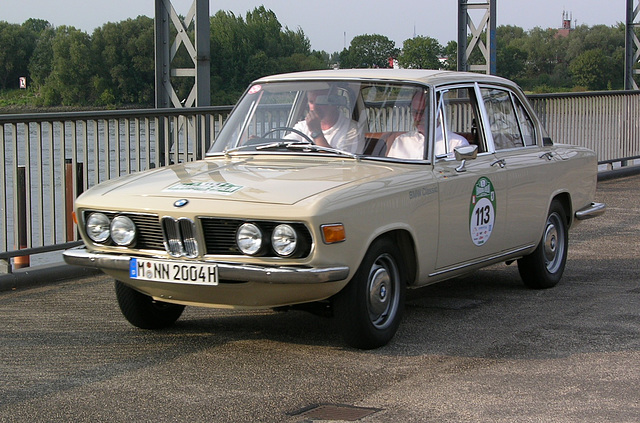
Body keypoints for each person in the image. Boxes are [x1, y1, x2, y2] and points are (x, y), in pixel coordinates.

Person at [387, 90, 468, 159]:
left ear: (438, 112)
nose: (418, 118)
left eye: (423, 112)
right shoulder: (401, 141)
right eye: (415, 112)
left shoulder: (457, 144)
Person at [286, 89, 363, 154]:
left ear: (333, 103)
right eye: (311, 102)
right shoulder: (302, 126)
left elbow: (339, 164)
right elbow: (285, 146)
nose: (314, 107)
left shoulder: (352, 130)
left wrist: (316, 132)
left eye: (320, 101)